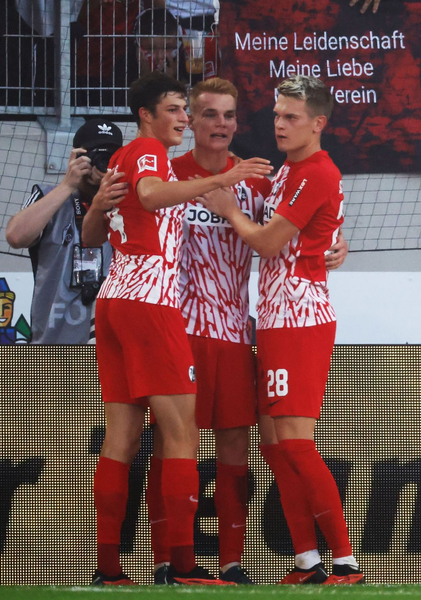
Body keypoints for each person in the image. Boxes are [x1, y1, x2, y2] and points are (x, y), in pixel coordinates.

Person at [145, 76, 348, 585]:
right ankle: (170, 560)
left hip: (240, 331)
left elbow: (297, 230)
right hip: (180, 328)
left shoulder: (258, 178)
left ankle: (233, 563)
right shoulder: (169, 175)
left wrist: (336, 247)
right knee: (176, 445)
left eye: (229, 115)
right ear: (191, 120)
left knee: (241, 447)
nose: (220, 124)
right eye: (209, 114)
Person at [80, 71, 271, 585]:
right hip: (153, 304)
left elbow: (93, 232)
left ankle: (109, 569)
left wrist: (97, 204)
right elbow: (149, 194)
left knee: (122, 437)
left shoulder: (128, 156)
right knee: (180, 437)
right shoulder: (148, 152)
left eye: (189, 110)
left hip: (117, 299)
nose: (185, 119)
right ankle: (181, 566)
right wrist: (220, 181)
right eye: (177, 109)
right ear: (146, 113)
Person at [198, 75, 363, 585]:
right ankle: (307, 560)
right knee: (273, 445)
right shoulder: (289, 171)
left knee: (294, 443)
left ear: (318, 123)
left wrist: (228, 210)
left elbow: (269, 243)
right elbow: (315, 225)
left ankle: (345, 561)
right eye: (276, 116)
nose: (280, 125)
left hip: (300, 317)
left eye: (291, 117)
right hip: (270, 319)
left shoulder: (317, 171)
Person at [5, 118, 122, 343]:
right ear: (78, 156)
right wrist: (67, 185)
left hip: (111, 346)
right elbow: (15, 236)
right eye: (99, 155)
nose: (104, 164)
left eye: (112, 157)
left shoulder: (127, 203)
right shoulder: (49, 196)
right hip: (54, 343)